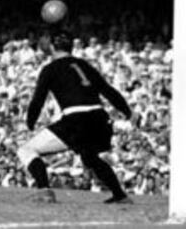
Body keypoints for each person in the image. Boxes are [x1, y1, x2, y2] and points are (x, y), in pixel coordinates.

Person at [16, 29, 133, 204]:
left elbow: (38, 99)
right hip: (100, 119)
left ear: (53, 47)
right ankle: (119, 195)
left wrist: (30, 122)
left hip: (76, 120)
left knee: (26, 150)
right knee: (89, 157)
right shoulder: (84, 65)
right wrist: (127, 112)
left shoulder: (50, 68)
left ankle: (44, 190)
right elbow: (107, 90)